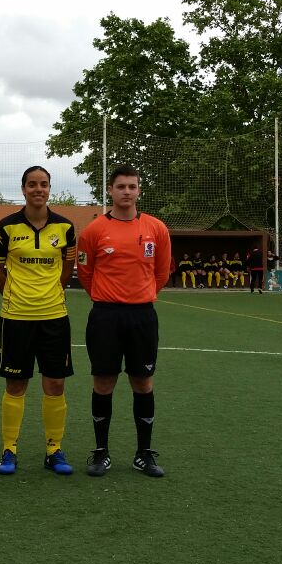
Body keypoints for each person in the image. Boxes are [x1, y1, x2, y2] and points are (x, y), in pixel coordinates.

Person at [76, 164, 172, 478]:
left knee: (143, 382)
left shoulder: (156, 228)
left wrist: (141, 295)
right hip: (105, 315)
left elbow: (161, 272)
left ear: (139, 190)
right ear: (110, 190)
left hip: (142, 316)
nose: (127, 192)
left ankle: (144, 453)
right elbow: (86, 274)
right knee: (103, 382)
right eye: (121, 186)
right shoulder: (93, 231)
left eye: (132, 186)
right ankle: (101, 452)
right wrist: (107, 297)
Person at [0, 166, 77, 476]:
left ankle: (54, 450)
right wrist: (16, 296)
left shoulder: (66, 227)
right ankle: (9, 449)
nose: (38, 189)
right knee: (16, 384)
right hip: (15, 317)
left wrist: (50, 293)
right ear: (23, 189)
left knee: (55, 383)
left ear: (50, 188)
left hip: (54, 316)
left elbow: (67, 268)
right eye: (32, 184)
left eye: (43, 184)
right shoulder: (6, 227)